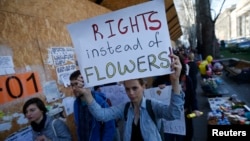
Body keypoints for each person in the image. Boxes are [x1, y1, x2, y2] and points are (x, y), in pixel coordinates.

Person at [71, 54, 185, 141]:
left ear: (143, 86)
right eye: (127, 89)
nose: (130, 93)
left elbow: (174, 113)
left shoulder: (153, 105)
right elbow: (102, 115)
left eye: (135, 88)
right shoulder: (125, 108)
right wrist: (87, 94)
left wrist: (175, 81)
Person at [164, 53, 202, 141]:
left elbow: (193, 96)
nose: (173, 67)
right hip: (168, 118)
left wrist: (195, 108)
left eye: (176, 64)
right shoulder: (161, 81)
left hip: (185, 116)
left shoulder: (187, 79)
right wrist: (159, 89)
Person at [69, 70, 116, 141]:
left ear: (84, 83)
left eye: (76, 84)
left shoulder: (100, 101)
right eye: (72, 85)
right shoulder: (76, 103)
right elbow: (79, 127)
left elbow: (109, 128)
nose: (73, 88)